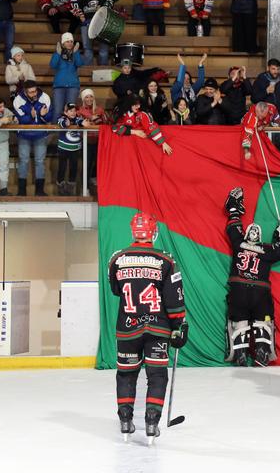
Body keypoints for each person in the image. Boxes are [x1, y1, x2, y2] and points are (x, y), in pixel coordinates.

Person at [108, 211, 187, 445]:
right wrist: (178, 325)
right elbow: (174, 298)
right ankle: (152, 423)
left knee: (126, 373)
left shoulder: (117, 258)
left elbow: (116, 289)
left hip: (127, 328)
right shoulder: (166, 260)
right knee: (157, 375)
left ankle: (125, 421)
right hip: (157, 328)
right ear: (153, 232)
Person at [223, 187, 280, 367]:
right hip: (260, 292)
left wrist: (233, 211)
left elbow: (232, 228)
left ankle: (240, 353)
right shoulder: (267, 250)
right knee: (264, 321)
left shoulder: (239, 243)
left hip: (239, 290)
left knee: (239, 321)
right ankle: (262, 352)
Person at [13, 80, 53, 196]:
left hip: (40, 134)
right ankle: (21, 191)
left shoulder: (45, 97)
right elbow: (20, 120)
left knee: (40, 161)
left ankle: (39, 190)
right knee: (23, 161)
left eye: (35, 91)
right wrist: (31, 116)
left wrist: (44, 115)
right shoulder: (18, 100)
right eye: (31, 92)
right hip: (24, 135)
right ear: (25, 92)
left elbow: (50, 116)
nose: (34, 94)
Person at [251, 59, 280, 155]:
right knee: (267, 145)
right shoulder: (260, 79)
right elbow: (254, 99)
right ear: (268, 68)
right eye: (273, 69)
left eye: (277, 69)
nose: (276, 72)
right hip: (265, 118)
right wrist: (266, 92)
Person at [72, 0, 113, 66]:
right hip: (86, 22)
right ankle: (87, 72)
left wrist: (104, 12)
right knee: (87, 49)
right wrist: (81, 18)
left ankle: (103, 71)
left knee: (104, 48)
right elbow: (74, 5)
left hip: (101, 21)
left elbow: (110, 1)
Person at [55, 102, 90, 195]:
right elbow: (61, 123)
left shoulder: (77, 119)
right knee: (62, 168)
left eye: (74, 110)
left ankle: (70, 188)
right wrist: (65, 123)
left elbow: (80, 121)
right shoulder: (62, 118)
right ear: (65, 112)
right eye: (70, 110)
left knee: (73, 168)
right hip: (63, 148)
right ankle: (60, 188)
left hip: (75, 149)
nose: (73, 112)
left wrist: (83, 123)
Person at [50, 33, 85, 120]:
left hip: (73, 86)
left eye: (71, 41)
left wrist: (76, 53)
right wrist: (58, 54)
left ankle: (70, 132)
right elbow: (53, 65)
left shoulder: (75, 53)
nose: (70, 43)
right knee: (57, 110)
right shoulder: (57, 53)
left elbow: (80, 64)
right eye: (67, 41)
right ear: (63, 43)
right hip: (59, 86)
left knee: (71, 111)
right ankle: (56, 132)